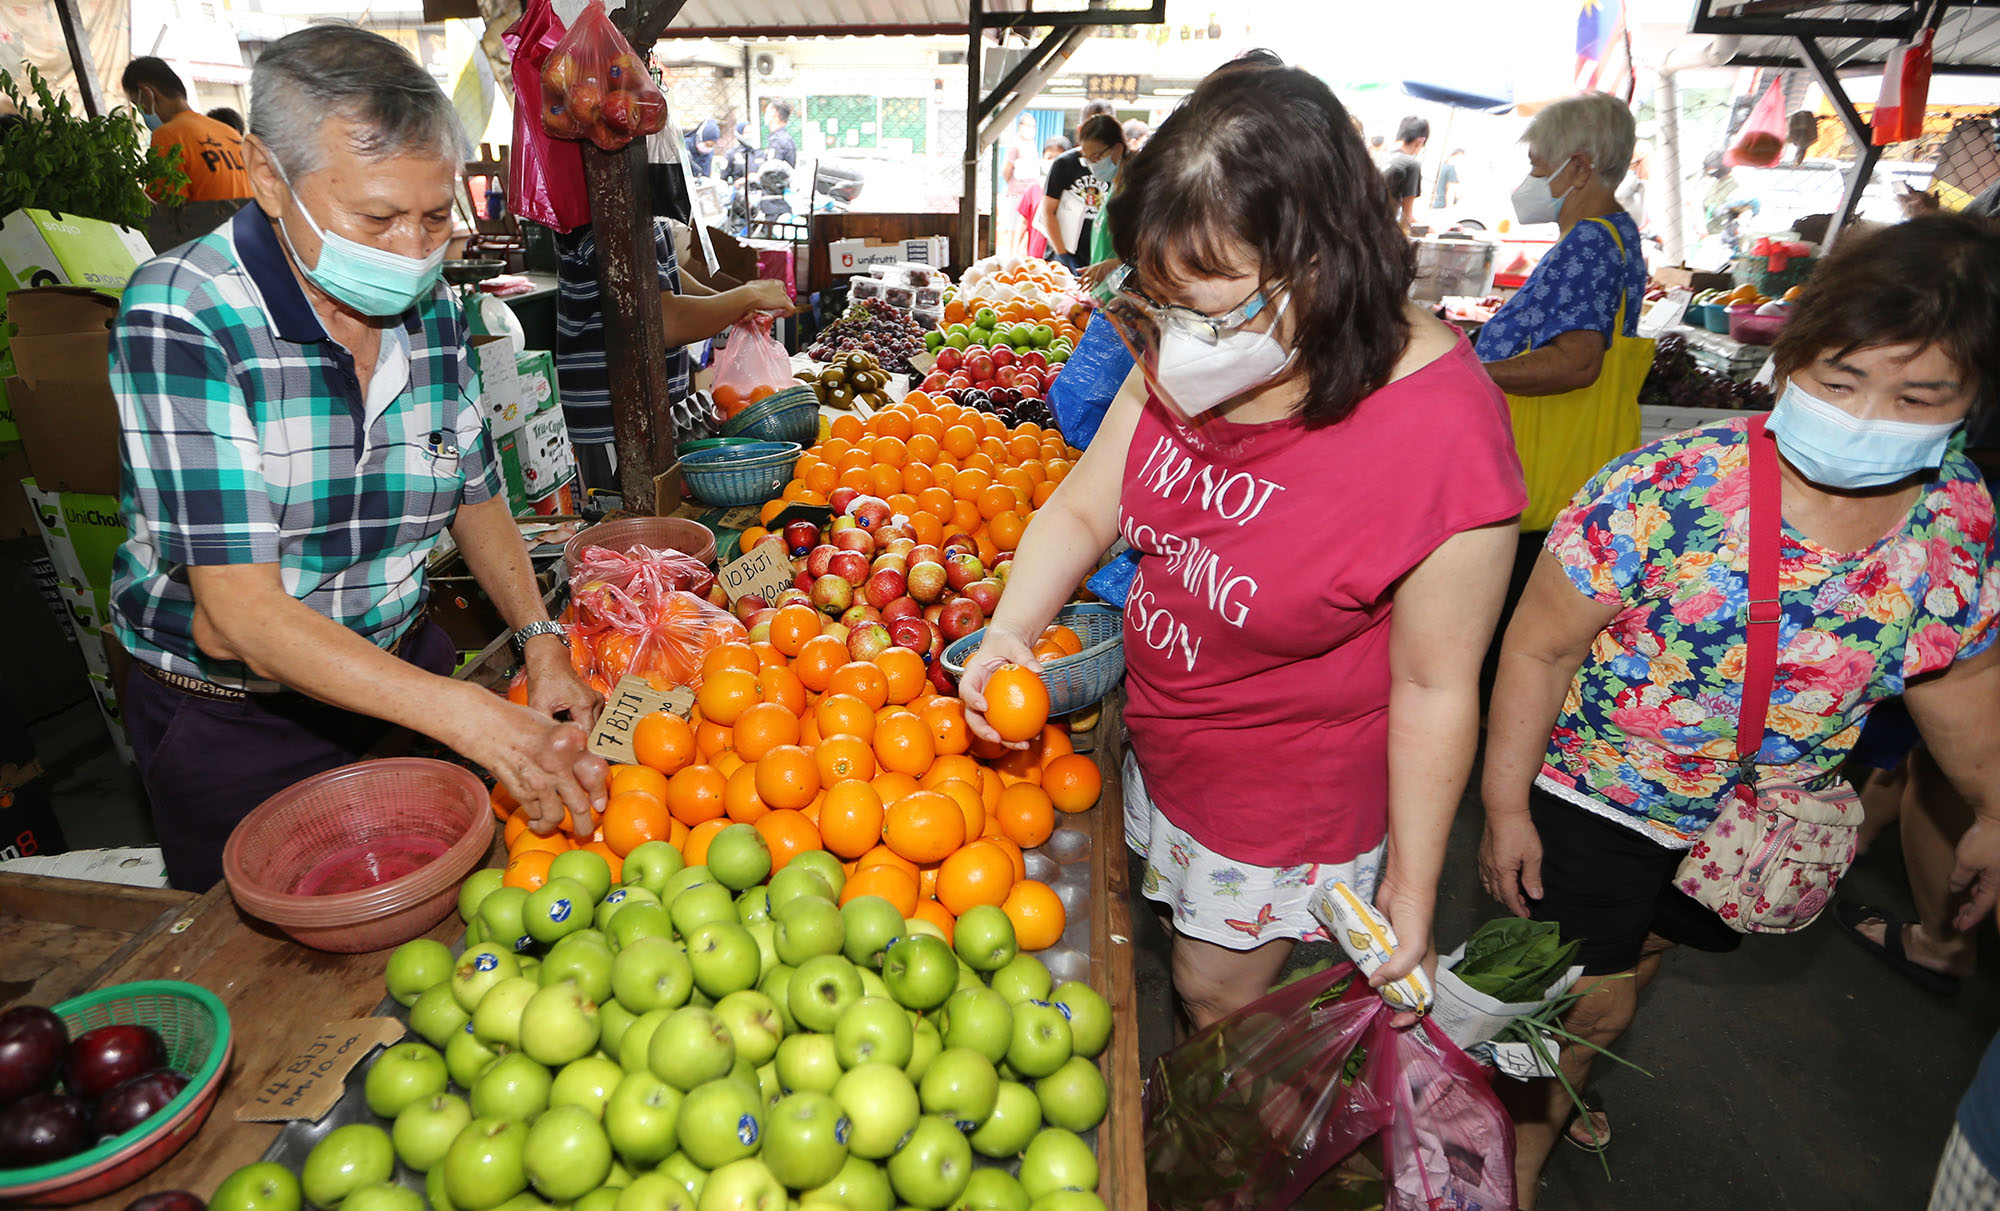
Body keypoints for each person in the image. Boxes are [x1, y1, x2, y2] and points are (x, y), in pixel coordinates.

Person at [962, 66, 1526, 1034]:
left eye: (1211, 307)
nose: (1176, 341)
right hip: (1167, 739)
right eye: (1157, 301)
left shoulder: (1438, 434)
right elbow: (1083, 506)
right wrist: (1011, 628)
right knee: (1196, 975)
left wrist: (1413, 881)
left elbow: (1435, 687)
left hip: (1283, 788)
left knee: (1215, 994)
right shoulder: (1184, 346)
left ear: (1322, 260)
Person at [1478, 215, 2000, 1205]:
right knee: (1579, 1000)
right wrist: (1503, 802)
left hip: (1750, 827)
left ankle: (1551, 1061)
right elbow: (1539, 642)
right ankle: (1509, 1155)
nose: (1867, 416)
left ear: (1969, 400)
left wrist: (1991, 806)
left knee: (1637, 957)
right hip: (1599, 796)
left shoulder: (1954, 512)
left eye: (1915, 395)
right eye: (1839, 382)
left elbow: (1958, 671)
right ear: (1792, 359)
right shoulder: (1667, 486)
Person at [109, 26, 607, 892]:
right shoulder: (185, 315)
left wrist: (538, 639)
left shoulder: (432, 308)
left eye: (435, 215)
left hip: (402, 676)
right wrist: (470, 717)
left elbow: (475, 488)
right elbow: (239, 618)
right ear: (270, 178)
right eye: (376, 217)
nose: (412, 250)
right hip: (236, 722)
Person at [1475, 92, 1647, 619]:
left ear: (1577, 169)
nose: (1527, 181)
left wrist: (1471, 375)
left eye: (1536, 166)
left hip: (1541, 479)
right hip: (1564, 482)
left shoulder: (1589, 244)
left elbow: (1578, 361)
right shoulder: (1616, 233)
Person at [555, 221, 791, 493]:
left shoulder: (639, 217)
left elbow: (662, 275)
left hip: (651, 412)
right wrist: (747, 295)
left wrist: (731, 305)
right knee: (631, 518)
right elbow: (665, 323)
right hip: (614, 421)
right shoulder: (606, 215)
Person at [120, 57, 250, 203]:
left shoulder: (168, 136)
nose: (141, 112)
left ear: (147, 94)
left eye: (137, 104)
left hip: (208, 226)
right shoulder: (228, 132)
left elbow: (166, 210)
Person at [1037, 98, 1116, 271]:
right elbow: (1048, 211)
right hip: (1066, 254)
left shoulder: (1117, 166)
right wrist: (1063, 255)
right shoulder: (1064, 164)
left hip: (1102, 257)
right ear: (1080, 130)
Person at [1073, 114, 1127, 289]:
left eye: (1096, 157)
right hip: (1104, 296)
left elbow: (1148, 257)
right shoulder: (1113, 188)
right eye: (1087, 159)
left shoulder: (1133, 194)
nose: (1092, 165)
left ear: (1118, 149)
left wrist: (1117, 265)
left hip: (1123, 299)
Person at [1016, 136, 1067, 259]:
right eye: (1049, 157)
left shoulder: (1071, 193)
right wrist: (1016, 250)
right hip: (1035, 256)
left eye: (1058, 158)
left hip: (1060, 256)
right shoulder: (1033, 189)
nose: (1053, 162)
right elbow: (1023, 222)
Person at [1382, 114, 1427, 233]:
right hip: (1380, 233)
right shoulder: (1411, 164)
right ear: (1420, 141)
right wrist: (1431, 229)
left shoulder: (1380, 156)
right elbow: (1407, 218)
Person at [763, 100, 797, 167]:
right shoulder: (786, 138)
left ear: (774, 112)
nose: (764, 115)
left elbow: (771, 171)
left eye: (766, 112)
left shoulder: (777, 140)